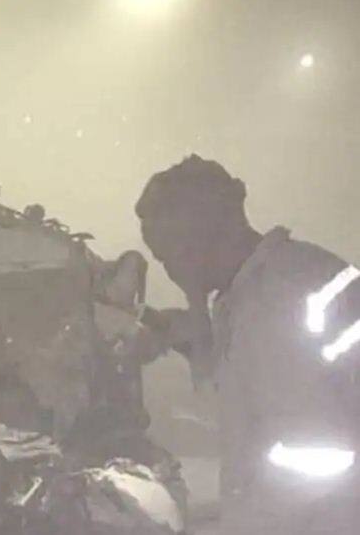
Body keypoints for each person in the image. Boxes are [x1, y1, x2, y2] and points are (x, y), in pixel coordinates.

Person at [136, 154, 360, 534]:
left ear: (196, 239)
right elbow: (261, 403)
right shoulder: (279, 279)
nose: (169, 270)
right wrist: (191, 333)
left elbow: (310, 456)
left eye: (165, 255)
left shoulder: (273, 303)